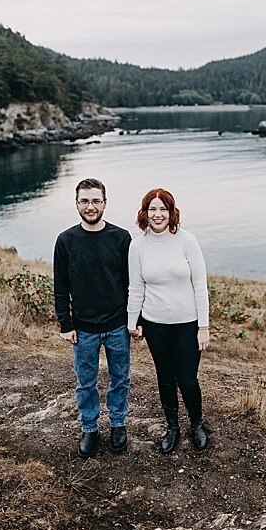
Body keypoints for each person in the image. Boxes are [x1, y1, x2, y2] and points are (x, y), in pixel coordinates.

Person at [127, 188, 211, 452]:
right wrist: (133, 321)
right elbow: (136, 287)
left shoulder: (187, 241)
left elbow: (200, 285)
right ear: (145, 213)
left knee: (187, 379)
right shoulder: (137, 245)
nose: (158, 214)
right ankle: (172, 427)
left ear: (171, 212)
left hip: (187, 324)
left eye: (163, 209)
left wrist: (203, 326)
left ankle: (196, 424)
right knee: (164, 378)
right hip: (155, 324)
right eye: (153, 209)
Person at [54, 178, 133, 457]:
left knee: (120, 378)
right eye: (85, 201)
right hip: (83, 328)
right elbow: (60, 285)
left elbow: (131, 283)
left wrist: (134, 320)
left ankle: (118, 424)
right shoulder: (65, 241)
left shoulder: (121, 237)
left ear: (105, 203)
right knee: (85, 382)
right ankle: (89, 428)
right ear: (77, 204)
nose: (90, 206)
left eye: (95, 200)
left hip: (117, 325)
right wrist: (66, 323)